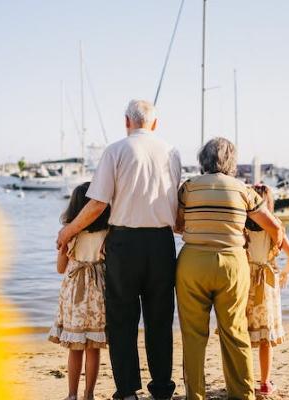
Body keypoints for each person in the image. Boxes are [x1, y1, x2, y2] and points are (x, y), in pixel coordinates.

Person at [56, 99, 181, 400]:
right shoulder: (172, 153)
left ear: (127, 121)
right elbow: (176, 207)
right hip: (162, 243)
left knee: (123, 320)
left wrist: (69, 231)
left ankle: (127, 390)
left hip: (124, 244)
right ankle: (162, 388)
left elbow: (98, 202)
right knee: (160, 320)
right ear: (155, 123)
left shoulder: (115, 151)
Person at [175, 137, 286, 400]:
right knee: (235, 333)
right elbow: (275, 227)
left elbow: (177, 224)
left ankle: (195, 396)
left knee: (193, 336)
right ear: (231, 161)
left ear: (204, 160)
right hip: (233, 265)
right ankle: (242, 395)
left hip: (192, 263)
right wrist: (273, 252)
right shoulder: (243, 190)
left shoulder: (188, 187)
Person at [48, 182, 111, 400]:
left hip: (75, 291)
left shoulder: (69, 234)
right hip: (98, 290)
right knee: (93, 347)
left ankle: (72, 394)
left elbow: (60, 268)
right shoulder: (107, 231)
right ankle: (89, 394)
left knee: (75, 348)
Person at [245, 184, 289, 395]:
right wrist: (284, 273)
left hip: (245, 281)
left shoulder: (242, 225)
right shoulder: (275, 227)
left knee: (244, 335)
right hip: (267, 284)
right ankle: (265, 383)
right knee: (265, 338)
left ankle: (245, 380)